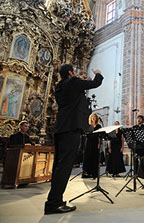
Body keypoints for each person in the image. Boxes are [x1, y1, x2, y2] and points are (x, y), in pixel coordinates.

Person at [44, 64, 103, 215]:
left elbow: (74, 93)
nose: (76, 73)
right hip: (71, 128)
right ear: (71, 72)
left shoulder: (60, 86)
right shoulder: (74, 82)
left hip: (60, 127)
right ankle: (54, 203)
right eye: (75, 71)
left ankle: (53, 200)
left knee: (58, 165)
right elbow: (96, 83)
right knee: (64, 166)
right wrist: (98, 73)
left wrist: (81, 82)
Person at [82, 113, 102, 179]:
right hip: (88, 142)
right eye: (92, 117)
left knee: (95, 157)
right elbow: (85, 133)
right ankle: (87, 173)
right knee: (88, 156)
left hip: (95, 142)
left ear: (96, 118)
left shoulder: (99, 126)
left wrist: (99, 144)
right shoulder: (88, 125)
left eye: (94, 117)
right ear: (90, 118)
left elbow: (100, 136)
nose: (93, 118)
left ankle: (94, 174)